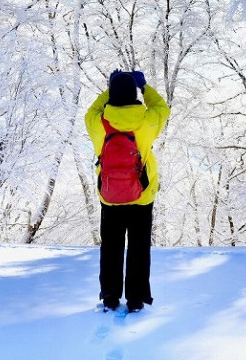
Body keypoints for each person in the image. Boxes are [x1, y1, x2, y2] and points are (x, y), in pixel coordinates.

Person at [85, 68, 170, 314]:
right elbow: (162, 107)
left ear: (111, 93)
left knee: (110, 247)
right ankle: (136, 298)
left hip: (110, 196)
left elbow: (91, 110)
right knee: (139, 246)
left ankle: (110, 297)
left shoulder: (97, 122)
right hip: (142, 195)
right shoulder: (147, 121)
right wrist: (144, 86)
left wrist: (108, 88)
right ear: (134, 94)